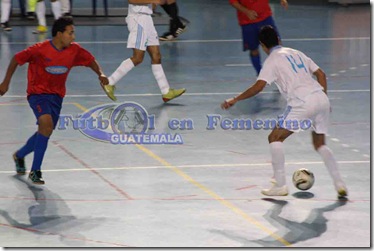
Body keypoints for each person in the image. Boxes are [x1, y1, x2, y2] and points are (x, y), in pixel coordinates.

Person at [221, 25, 348, 198]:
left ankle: (280, 185)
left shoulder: (272, 60)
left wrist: (235, 99)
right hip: (321, 98)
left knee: (275, 137)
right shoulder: (296, 52)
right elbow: (321, 75)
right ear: (279, 40)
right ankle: (339, 183)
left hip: (302, 102)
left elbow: (259, 87)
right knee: (320, 144)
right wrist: (322, 97)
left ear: (263, 46)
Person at [0, 17, 109, 184]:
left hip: (57, 97)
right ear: (59, 34)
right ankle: (35, 171)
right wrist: (5, 82)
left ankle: (19, 155)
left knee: (45, 131)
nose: (73, 37)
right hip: (37, 94)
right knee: (46, 123)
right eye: (70, 33)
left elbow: (90, 61)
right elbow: (16, 59)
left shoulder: (74, 50)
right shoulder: (40, 50)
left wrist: (100, 74)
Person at [101, 0, 185, 103]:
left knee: (156, 56)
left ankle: (166, 91)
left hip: (147, 20)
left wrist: (154, 4)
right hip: (138, 20)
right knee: (138, 58)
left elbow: (152, 6)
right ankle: (110, 82)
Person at [229, 0, 288, 76]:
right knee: (254, 49)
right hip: (248, 22)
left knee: (276, 45)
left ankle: (283, 72)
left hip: (266, 18)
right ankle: (261, 74)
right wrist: (247, 11)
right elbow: (233, 2)